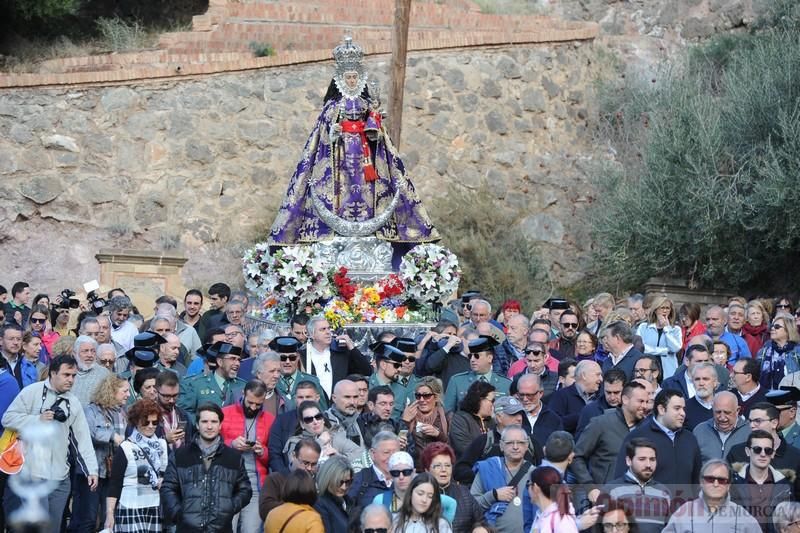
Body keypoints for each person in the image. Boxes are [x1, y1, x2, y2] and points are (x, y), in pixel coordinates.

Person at [2, 355, 98, 533]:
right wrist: (36, 419)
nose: (71, 380)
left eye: (74, 376)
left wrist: (91, 469)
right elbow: (8, 418)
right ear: (53, 373)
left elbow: (82, 439)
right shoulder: (32, 391)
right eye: (66, 375)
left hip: (60, 477)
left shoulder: (73, 402)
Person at [160, 402, 252, 532]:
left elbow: (245, 490)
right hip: (187, 528)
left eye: (214, 422)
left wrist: (228, 509)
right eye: (204, 421)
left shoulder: (234, 457)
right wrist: (179, 514)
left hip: (221, 528)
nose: (209, 426)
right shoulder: (180, 455)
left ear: (220, 425)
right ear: (197, 425)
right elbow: (168, 488)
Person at [572, 381, 651, 501]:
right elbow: (577, 456)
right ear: (625, 400)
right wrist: (590, 487)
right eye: (640, 401)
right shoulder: (600, 423)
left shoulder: (647, 428)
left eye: (646, 402)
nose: (645, 406)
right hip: (605, 497)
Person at [614, 389, 702, 488]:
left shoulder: (690, 439)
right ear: (661, 409)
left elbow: (697, 481)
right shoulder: (637, 436)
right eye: (677, 408)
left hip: (685, 502)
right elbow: (621, 477)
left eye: (683, 409)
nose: (683, 413)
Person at [104, 399, 168, 532]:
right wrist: (110, 514)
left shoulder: (162, 445)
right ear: (136, 422)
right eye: (146, 422)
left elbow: (165, 474)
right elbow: (115, 484)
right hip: (130, 505)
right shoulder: (126, 447)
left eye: (154, 422)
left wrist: (163, 480)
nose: (151, 426)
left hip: (154, 506)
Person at [220, 379, 274, 533]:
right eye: (250, 402)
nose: (253, 407)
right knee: (226, 528)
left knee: (252, 529)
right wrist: (231, 444)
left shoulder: (269, 419)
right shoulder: (225, 413)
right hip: (227, 481)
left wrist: (262, 451)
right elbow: (211, 445)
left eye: (258, 404)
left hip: (255, 483)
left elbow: (274, 454)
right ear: (243, 394)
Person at [454, 396, 541, 485]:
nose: (519, 418)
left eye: (520, 414)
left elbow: (544, 471)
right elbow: (460, 469)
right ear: (499, 417)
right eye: (513, 414)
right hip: (489, 497)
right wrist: (484, 478)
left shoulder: (531, 442)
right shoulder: (484, 442)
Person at [83, 375, 130, 531]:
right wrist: (112, 436)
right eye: (124, 391)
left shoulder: (125, 413)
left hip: (114, 473)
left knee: (109, 520)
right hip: (93, 472)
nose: (128, 395)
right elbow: (91, 432)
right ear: (111, 391)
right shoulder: (92, 410)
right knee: (87, 519)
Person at [663, 459, 760, 532]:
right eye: (710, 479)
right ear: (701, 481)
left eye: (722, 480)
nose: (716, 484)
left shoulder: (742, 516)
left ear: (728, 485)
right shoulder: (683, 513)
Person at [471, 425, 535, 532]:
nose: (515, 447)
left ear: (527, 445)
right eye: (510, 443)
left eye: (520, 442)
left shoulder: (536, 474)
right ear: (501, 445)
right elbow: (472, 507)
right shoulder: (488, 469)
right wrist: (493, 495)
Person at [600, 439, 671, 533]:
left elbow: (670, 528)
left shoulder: (664, 492)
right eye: (642, 459)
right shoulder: (611, 490)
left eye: (652, 459)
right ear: (629, 461)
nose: (648, 465)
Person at [730, 429, 793, 531]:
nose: (763, 454)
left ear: (772, 453)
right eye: (757, 449)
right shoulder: (733, 483)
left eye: (768, 450)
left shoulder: (784, 485)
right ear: (747, 451)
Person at [301, 317, 371, 400]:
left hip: (338, 404)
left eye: (328, 328)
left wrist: (351, 347)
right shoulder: (302, 355)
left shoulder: (340, 353)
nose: (328, 332)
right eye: (323, 329)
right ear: (311, 334)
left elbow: (366, 370)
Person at [423, 442, 483, 533]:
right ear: (427, 470)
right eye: (438, 466)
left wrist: (479, 529)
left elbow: (481, 521)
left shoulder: (464, 493)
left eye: (447, 465)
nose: (444, 470)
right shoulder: (420, 496)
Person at [443, 335, 511, 413]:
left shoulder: (505, 384)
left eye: (476, 356)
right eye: (470, 356)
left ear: (489, 358)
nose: (472, 360)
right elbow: (447, 411)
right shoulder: (457, 381)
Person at [259, 437, 322, 521]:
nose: (309, 468)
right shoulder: (276, 479)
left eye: (314, 464)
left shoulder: (318, 482)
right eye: (305, 463)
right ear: (293, 456)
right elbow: (265, 510)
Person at [693, 391, 751, 462]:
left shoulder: (750, 431)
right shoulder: (700, 431)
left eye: (727, 412)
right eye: (718, 412)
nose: (722, 418)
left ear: (738, 410)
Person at [347, 431, 400, 509]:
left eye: (395, 453)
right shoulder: (359, 479)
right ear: (372, 454)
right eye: (386, 452)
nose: (392, 457)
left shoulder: (405, 478)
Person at [548, 359, 602, 434]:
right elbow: (552, 423)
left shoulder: (601, 397)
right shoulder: (561, 396)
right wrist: (583, 415)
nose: (601, 379)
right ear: (584, 376)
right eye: (597, 375)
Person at [449, 380, 496, 457]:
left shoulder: (491, 421)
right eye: (492, 400)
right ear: (480, 400)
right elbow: (464, 448)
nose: (493, 404)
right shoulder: (460, 419)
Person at [528, 466, 579, 533]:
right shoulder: (541, 514)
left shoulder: (562, 521)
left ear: (535, 487)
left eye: (528, 484)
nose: (527, 489)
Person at [757, 314, 800, 389]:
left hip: (792, 397)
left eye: (777, 327)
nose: (772, 328)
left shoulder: (797, 352)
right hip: (767, 397)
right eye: (772, 326)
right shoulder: (763, 351)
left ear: (788, 330)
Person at [314, 455, 354, 533]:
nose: (344, 487)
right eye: (340, 482)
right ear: (327, 479)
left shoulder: (349, 502)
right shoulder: (319, 505)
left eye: (348, 482)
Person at [371, 451, 416, 519]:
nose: (401, 477)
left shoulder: (425, 498)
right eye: (396, 473)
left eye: (406, 472)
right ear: (390, 475)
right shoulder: (380, 500)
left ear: (413, 472)